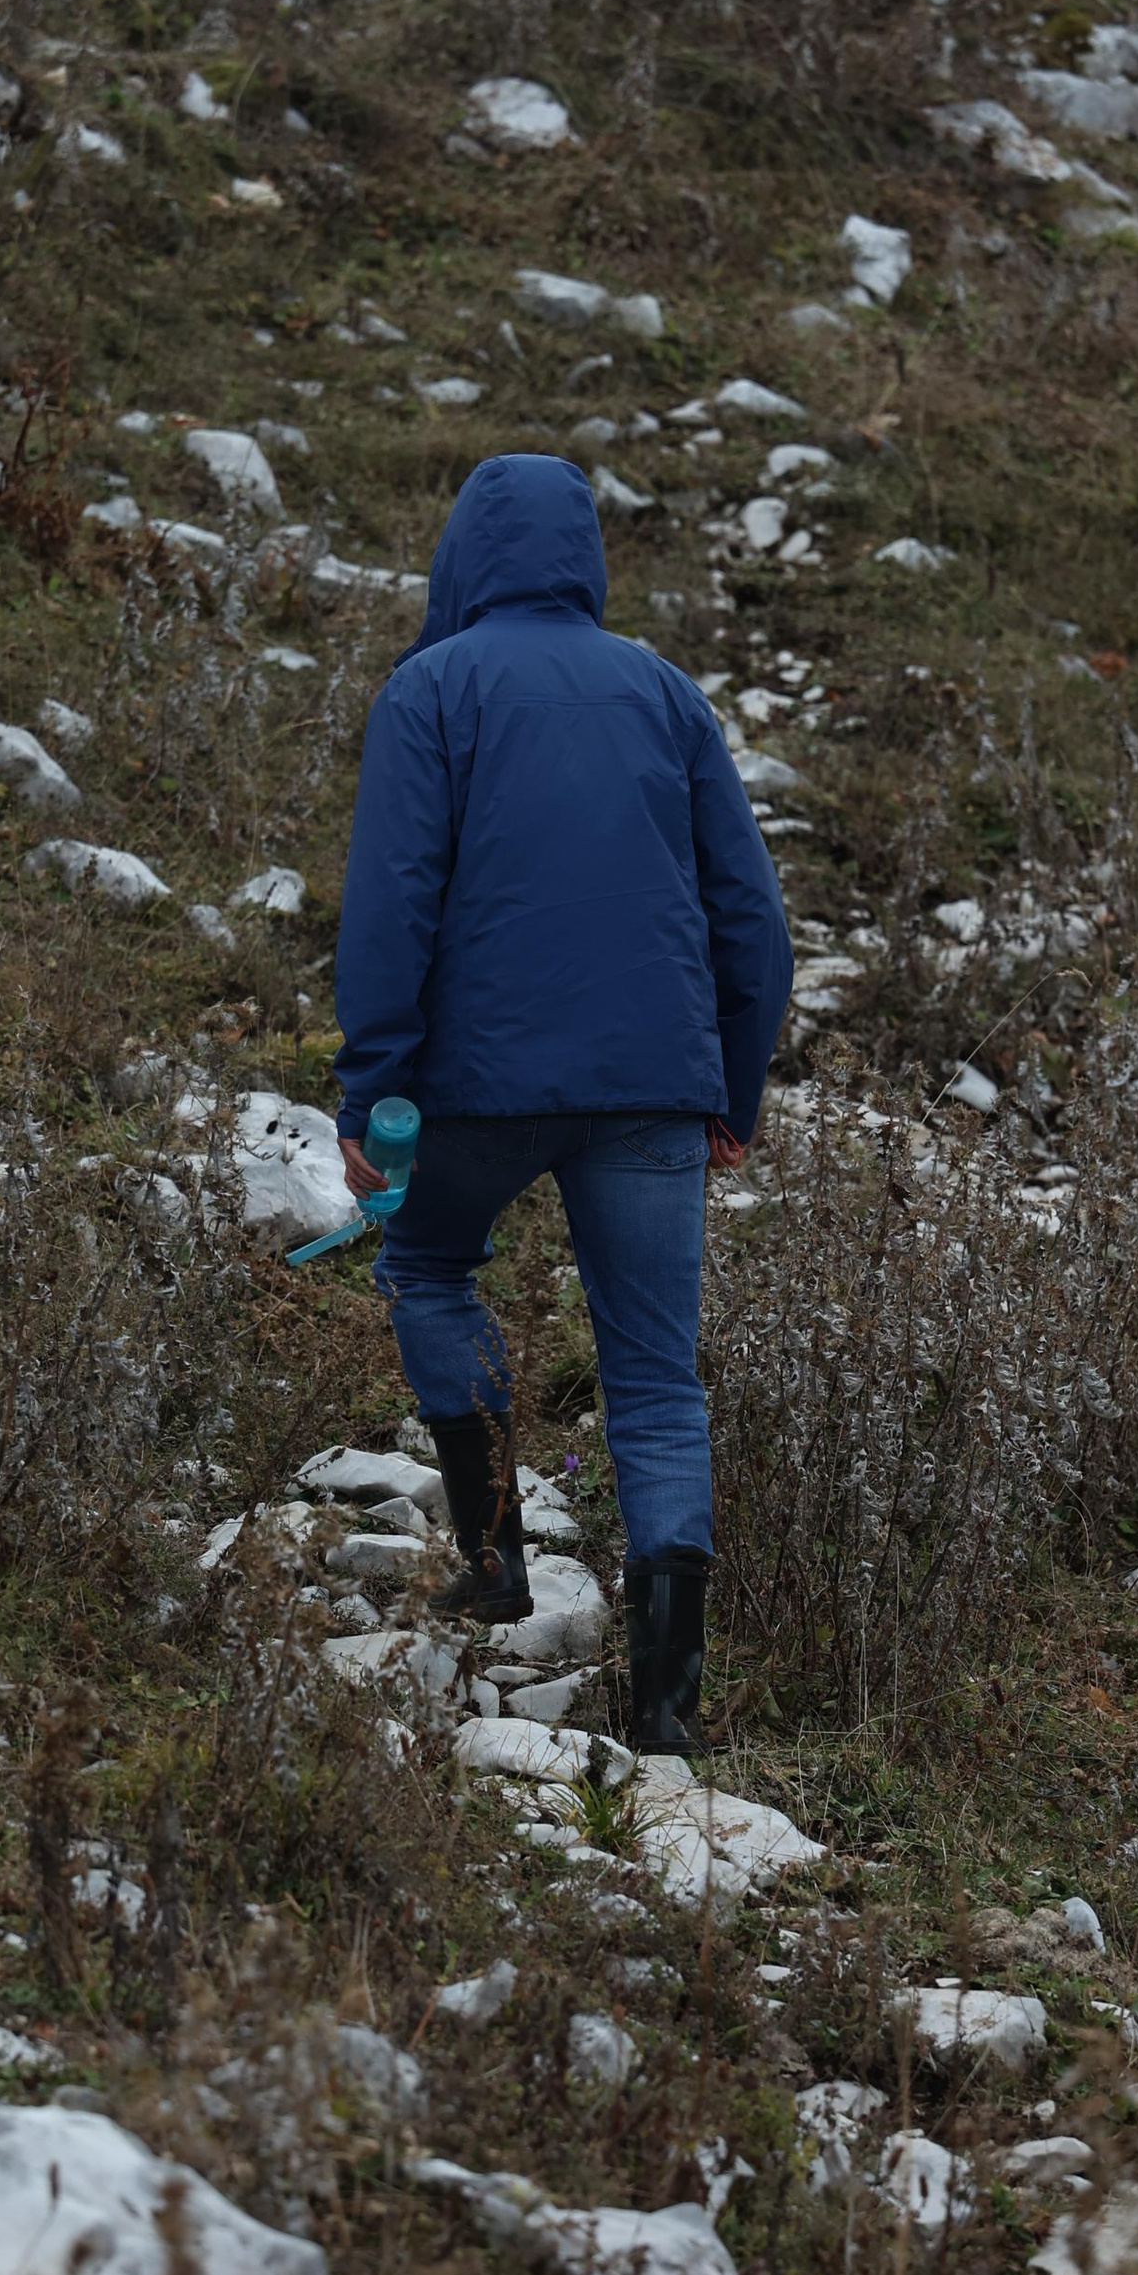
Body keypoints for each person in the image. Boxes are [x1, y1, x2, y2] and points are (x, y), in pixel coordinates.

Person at [331, 454, 793, 1754]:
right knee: (653, 1378)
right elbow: (754, 926)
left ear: (463, 557)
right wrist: (732, 1091)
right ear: (587, 557)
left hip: (476, 1089)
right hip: (654, 1092)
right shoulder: (668, 697)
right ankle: (667, 1707)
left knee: (426, 1265)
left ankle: (491, 1561)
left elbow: (391, 909)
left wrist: (373, 1087)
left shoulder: (430, 691)